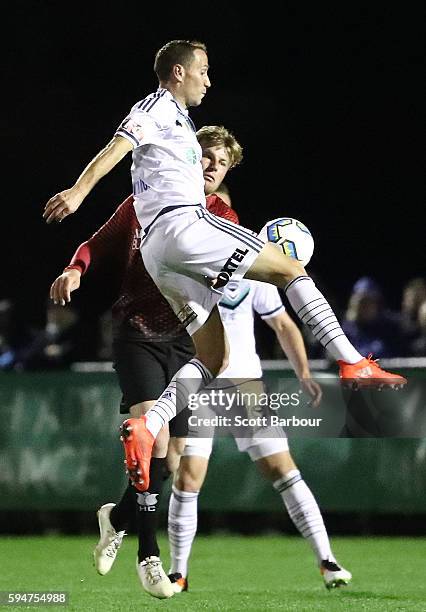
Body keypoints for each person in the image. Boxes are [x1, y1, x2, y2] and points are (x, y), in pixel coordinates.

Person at [44, 38, 406, 504]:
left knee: (212, 356)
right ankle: (353, 361)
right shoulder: (156, 106)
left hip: (159, 252)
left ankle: (147, 425)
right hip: (183, 227)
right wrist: (77, 191)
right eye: (203, 70)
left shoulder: (179, 123)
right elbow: (117, 146)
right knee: (290, 267)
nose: (208, 80)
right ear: (178, 72)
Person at [50, 124, 243, 599]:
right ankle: (149, 557)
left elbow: (231, 278)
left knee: (172, 461)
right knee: (153, 444)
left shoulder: (223, 216)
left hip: (187, 344)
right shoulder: (146, 202)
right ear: (187, 156)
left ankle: (115, 518)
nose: (211, 167)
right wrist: (75, 268)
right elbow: (95, 242)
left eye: (221, 162)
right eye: (205, 157)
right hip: (137, 333)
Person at [167, 276, 352, 592]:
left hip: (247, 387)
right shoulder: (186, 264)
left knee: (283, 469)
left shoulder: (251, 270)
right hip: (201, 385)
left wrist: (303, 373)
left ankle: (328, 561)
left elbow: (282, 324)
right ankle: (178, 574)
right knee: (188, 477)